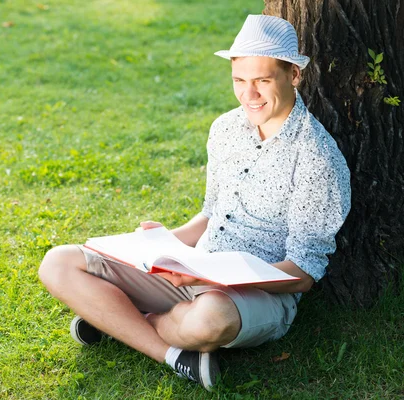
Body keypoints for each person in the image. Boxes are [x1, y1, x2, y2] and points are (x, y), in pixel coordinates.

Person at [38, 15, 351, 391]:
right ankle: (172, 352)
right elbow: (211, 214)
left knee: (208, 322)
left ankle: (121, 322)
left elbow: (302, 274)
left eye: (263, 81)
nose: (248, 94)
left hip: (252, 297)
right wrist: (166, 240)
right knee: (59, 262)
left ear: (294, 76)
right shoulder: (225, 129)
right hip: (192, 272)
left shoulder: (318, 158)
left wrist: (209, 276)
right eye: (239, 80)